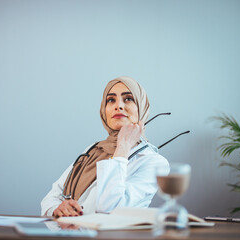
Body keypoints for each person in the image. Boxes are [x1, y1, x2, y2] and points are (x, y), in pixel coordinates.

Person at [41, 76, 170, 217]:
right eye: (111, 100)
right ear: (104, 110)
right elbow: (49, 199)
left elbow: (110, 209)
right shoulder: (94, 149)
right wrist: (58, 208)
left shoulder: (155, 163)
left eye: (128, 99)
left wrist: (123, 148)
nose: (118, 106)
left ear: (142, 108)